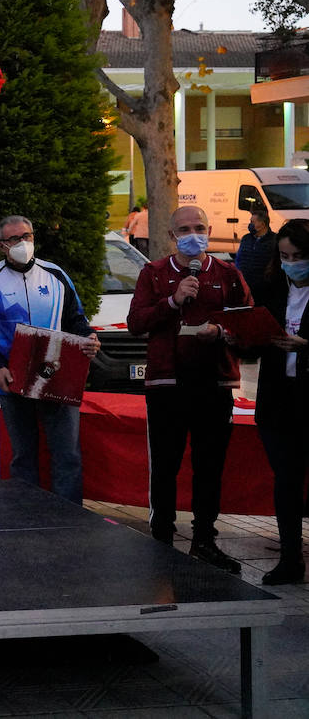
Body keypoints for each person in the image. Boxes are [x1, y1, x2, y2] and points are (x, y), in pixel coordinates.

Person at [127, 205, 250, 572]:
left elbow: (249, 323)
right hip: (167, 383)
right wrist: (172, 300)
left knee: (209, 466)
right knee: (165, 463)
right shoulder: (154, 273)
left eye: (199, 227)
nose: (193, 234)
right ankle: (162, 535)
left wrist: (224, 333)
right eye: (184, 229)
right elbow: (136, 322)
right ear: (171, 236)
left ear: (209, 231)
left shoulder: (228, 273)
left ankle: (204, 539)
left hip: (214, 382)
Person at [0, 215, 100, 505]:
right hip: (13, 380)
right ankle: (27, 517)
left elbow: (77, 319)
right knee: (23, 455)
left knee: (67, 454)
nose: (22, 243)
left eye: (26, 236)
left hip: (57, 376)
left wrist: (89, 338)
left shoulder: (55, 274)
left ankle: (68, 518)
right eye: (14, 239)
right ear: (2, 245)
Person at [249, 218, 309, 585]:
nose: (292, 263)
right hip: (278, 399)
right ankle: (290, 558)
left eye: (300, 256)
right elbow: (254, 338)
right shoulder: (271, 287)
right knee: (286, 480)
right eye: (285, 256)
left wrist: (306, 347)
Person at [236, 209, 277, 307]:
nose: (250, 225)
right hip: (246, 286)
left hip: (265, 289)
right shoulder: (246, 239)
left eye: (252, 222)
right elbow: (239, 258)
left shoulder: (274, 240)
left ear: (262, 225)